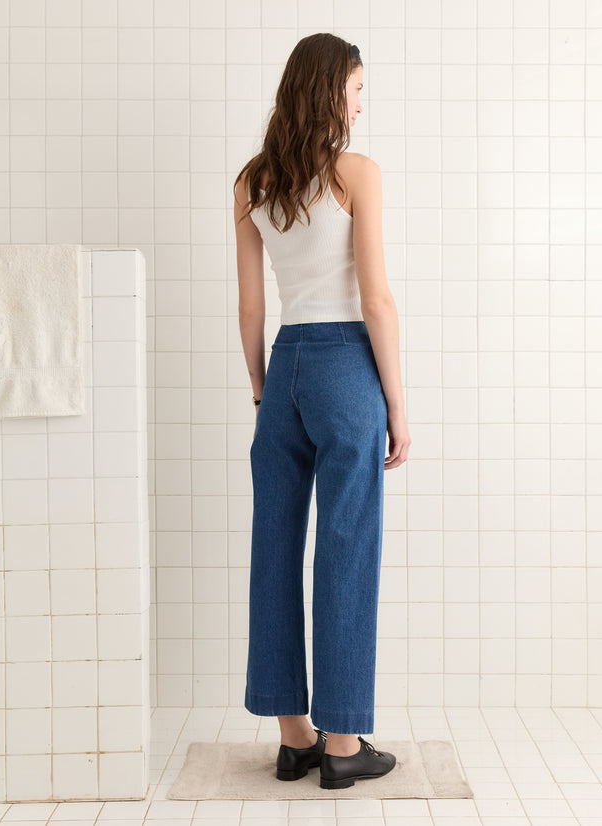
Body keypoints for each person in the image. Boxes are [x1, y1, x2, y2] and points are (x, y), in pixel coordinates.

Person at [232, 33, 411, 790]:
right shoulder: (355, 175)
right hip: (345, 369)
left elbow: (249, 306)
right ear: (331, 88)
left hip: (286, 368)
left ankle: (293, 737)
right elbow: (375, 298)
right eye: (359, 88)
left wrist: (263, 391)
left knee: (275, 547)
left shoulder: (252, 182)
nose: (362, 104)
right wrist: (396, 406)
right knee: (345, 549)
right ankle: (342, 746)